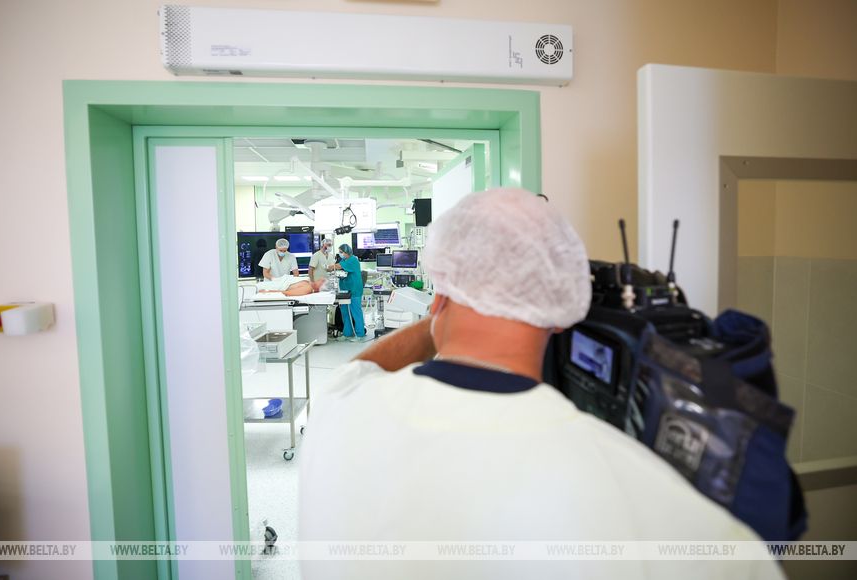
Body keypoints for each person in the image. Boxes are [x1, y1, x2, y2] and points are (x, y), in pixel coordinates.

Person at [298, 188, 783, 580]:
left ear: (440, 291)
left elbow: (360, 370)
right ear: (561, 310)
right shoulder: (645, 494)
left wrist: (439, 318)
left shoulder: (340, 411)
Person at [327, 243, 365, 340]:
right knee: (345, 313)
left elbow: (338, 266)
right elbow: (342, 271)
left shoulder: (353, 260)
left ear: (347, 252)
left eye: (341, 252)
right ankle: (347, 333)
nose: (340, 254)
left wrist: (328, 267)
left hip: (354, 290)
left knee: (356, 313)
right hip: (345, 290)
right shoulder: (344, 260)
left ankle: (360, 334)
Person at [257, 275, 326, 296]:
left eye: (322, 281)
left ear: (320, 287)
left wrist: (268, 292)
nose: (320, 279)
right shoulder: (308, 281)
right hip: (275, 283)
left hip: (273, 287)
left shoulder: (308, 288)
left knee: (254, 288)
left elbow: (286, 293)